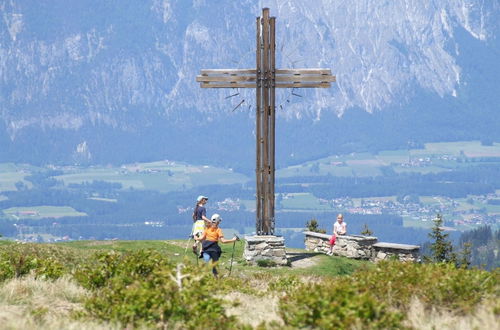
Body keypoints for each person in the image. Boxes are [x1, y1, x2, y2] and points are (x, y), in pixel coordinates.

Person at [195, 213, 238, 277]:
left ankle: (202, 276)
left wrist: (196, 237)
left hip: (206, 249)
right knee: (215, 265)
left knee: (206, 261)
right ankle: (215, 278)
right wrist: (233, 240)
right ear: (218, 222)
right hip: (214, 249)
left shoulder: (207, 229)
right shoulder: (218, 230)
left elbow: (201, 238)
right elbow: (223, 241)